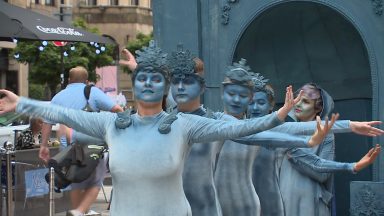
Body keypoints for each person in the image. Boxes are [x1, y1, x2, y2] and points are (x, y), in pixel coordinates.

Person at [0, 41, 298, 215]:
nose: (148, 83)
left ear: (165, 87)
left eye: (156, 79)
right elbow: (61, 111)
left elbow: (238, 130)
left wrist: (279, 115)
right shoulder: (111, 124)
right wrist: (21, 103)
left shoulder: (185, 125)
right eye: (142, 77)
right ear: (135, 84)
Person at [120, 46, 332, 216]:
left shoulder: (220, 122)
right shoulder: (174, 115)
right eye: (178, 80)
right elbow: (158, 92)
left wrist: (316, 138)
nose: (182, 86)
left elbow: (271, 134)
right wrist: (138, 68)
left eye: (189, 79)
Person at [247, 80, 381, 216]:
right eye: (297, 99)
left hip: (309, 200)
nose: (298, 104)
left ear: (317, 107)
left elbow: (323, 175)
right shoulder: (284, 128)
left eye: (305, 102)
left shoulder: (327, 135)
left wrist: (293, 152)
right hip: (281, 198)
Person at [39, 66, 123, 216]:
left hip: (69, 150)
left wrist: (43, 146)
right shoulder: (93, 92)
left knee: (75, 182)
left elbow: (47, 122)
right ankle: (80, 211)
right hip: (92, 146)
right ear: (86, 80)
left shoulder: (58, 97)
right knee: (96, 182)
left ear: (69, 80)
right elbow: (118, 110)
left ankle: (78, 211)